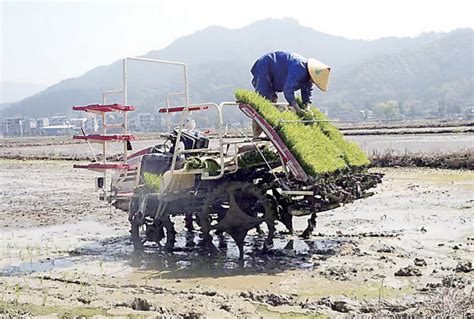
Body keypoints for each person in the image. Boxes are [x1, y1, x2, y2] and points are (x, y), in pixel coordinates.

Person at [251, 51, 331, 112]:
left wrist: (307, 106)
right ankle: (258, 131)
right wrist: (297, 108)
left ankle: (265, 129)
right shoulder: (299, 69)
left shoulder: (308, 76)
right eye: (313, 81)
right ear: (312, 74)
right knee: (263, 101)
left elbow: (307, 90)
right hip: (267, 66)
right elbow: (288, 89)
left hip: (276, 74)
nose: (313, 83)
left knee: (273, 100)